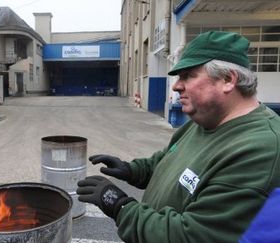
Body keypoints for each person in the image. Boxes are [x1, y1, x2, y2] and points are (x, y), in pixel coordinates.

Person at [76, 31, 280, 243]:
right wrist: (132, 170)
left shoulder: (260, 151)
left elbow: (190, 236)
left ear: (228, 80)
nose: (176, 85)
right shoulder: (204, 121)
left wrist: (120, 206)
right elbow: (167, 159)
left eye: (188, 75)